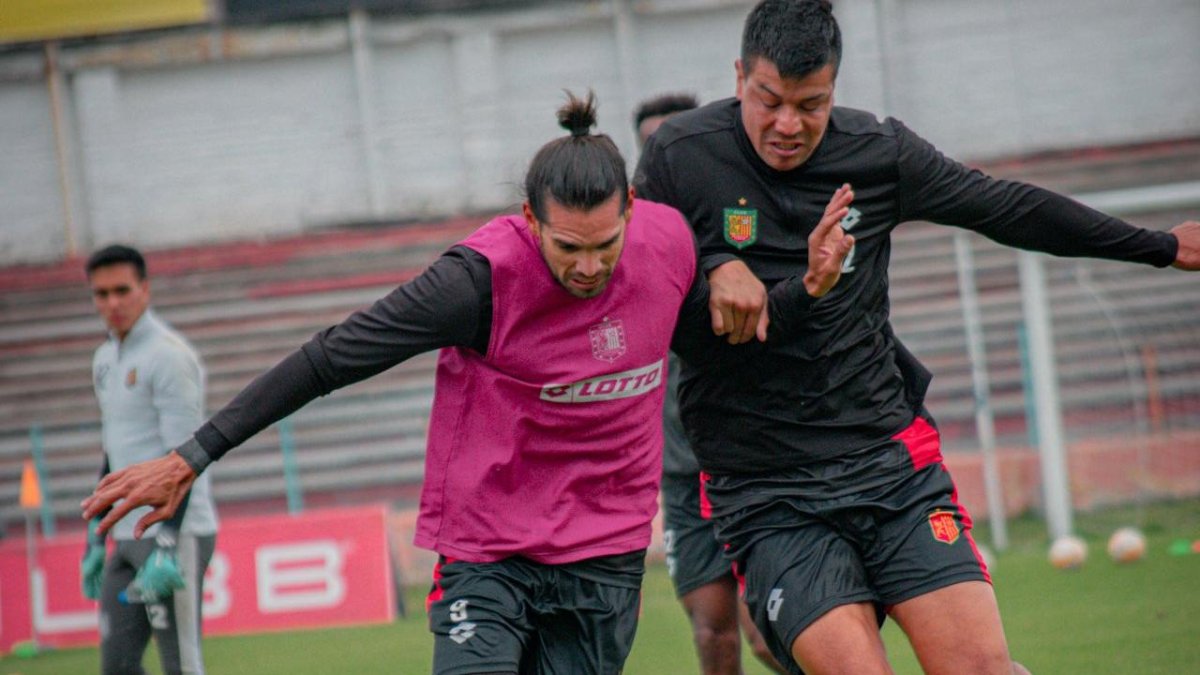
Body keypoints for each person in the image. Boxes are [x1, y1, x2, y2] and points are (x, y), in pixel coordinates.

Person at [81, 93, 854, 674]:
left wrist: (805, 293)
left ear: (632, 212)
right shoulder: (477, 281)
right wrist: (193, 455)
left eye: (605, 244)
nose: (588, 268)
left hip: (605, 558)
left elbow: (722, 336)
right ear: (528, 218)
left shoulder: (668, 243)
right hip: (490, 553)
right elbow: (332, 356)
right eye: (566, 247)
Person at [634, 1, 1200, 674]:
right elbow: (646, 297)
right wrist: (715, 262)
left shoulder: (877, 153)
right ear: (738, 78)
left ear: (835, 88)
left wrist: (1161, 245)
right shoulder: (679, 157)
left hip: (888, 461)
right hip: (767, 486)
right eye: (770, 101)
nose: (788, 125)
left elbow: (1006, 207)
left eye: (810, 105)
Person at [636, 92, 786, 675]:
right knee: (712, 636)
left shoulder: (730, 220)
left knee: (768, 637)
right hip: (681, 473)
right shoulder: (628, 243)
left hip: (746, 463)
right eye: (653, 142)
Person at [83, 244, 219, 675]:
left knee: (181, 666)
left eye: (122, 290)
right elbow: (114, 447)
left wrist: (166, 542)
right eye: (102, 294)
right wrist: (95, 530)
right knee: (118, 666)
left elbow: (187, 456)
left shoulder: (169, 356)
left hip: (172, 533)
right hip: (123, 532)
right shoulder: (104, 358)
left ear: (145, 289)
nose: (113, 303)